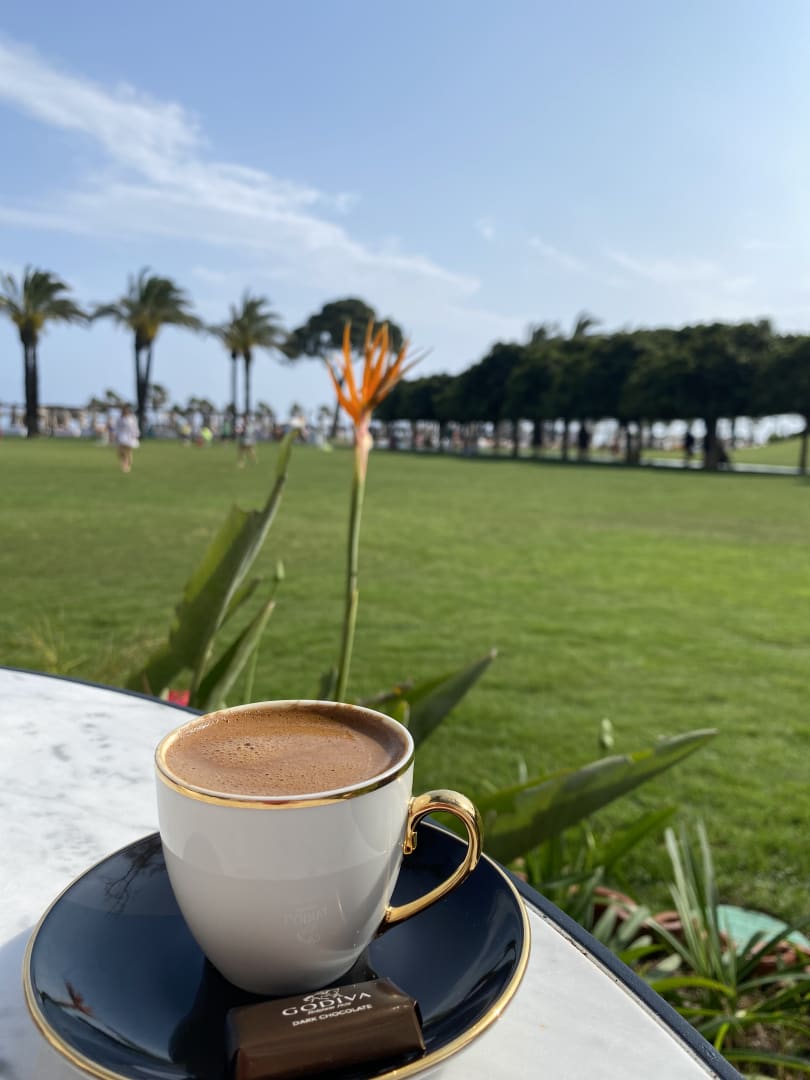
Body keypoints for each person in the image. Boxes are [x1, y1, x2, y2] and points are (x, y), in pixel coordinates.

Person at [114, 405, 140, 473]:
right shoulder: (120, 418)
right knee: (120, 451)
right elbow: (117, 427)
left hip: (130, 436)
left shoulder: (132, 418)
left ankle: (127, 465)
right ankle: (125, 463)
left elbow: (135, 427)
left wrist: (136, 434)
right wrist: (116, 435)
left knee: (128, 451)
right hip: (122, 436)